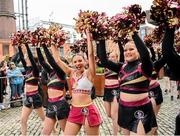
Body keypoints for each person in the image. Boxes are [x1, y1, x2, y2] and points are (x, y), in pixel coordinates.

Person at [97, 30, 156, 135]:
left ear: (138, 51)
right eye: (125, 50)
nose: (128, 52)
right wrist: (101, 36)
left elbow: (145, 55)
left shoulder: (145, 66)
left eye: (131, 49)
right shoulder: (121, 67)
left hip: (140, 110)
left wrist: (133, 31)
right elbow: (104, 61)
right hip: (124, 109)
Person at [51, 30, 102, 135]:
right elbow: (57, 61)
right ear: (72, 63)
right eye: (75, 62)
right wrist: (53, 41)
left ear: (85, 61)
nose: (78, 63)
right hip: (74, 110)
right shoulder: (71, 72)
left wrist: (88, 36)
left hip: (88, 109)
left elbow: (91, 54)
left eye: (80, 61)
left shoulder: (90, 73)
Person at [36, 46, 70, 135]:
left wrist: (44, 46)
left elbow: (51, 61)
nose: (53, 64)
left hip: (61, 105)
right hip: (50, 104)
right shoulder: (51, 73)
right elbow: (42, 62)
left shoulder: (61, 73)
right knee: (45, 133)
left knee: (66, 132)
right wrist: (37, 45)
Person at [18, 44, 45, 135]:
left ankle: (54, 131)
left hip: (35, 97)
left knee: (44, 119)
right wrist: (19, 47)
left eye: (27, 59)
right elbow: (21, 57)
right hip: (28, 97)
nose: (26, 60)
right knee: (23, 119)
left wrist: (26, 45)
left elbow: (30, 57)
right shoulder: (27, 69)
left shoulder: (36, 70)